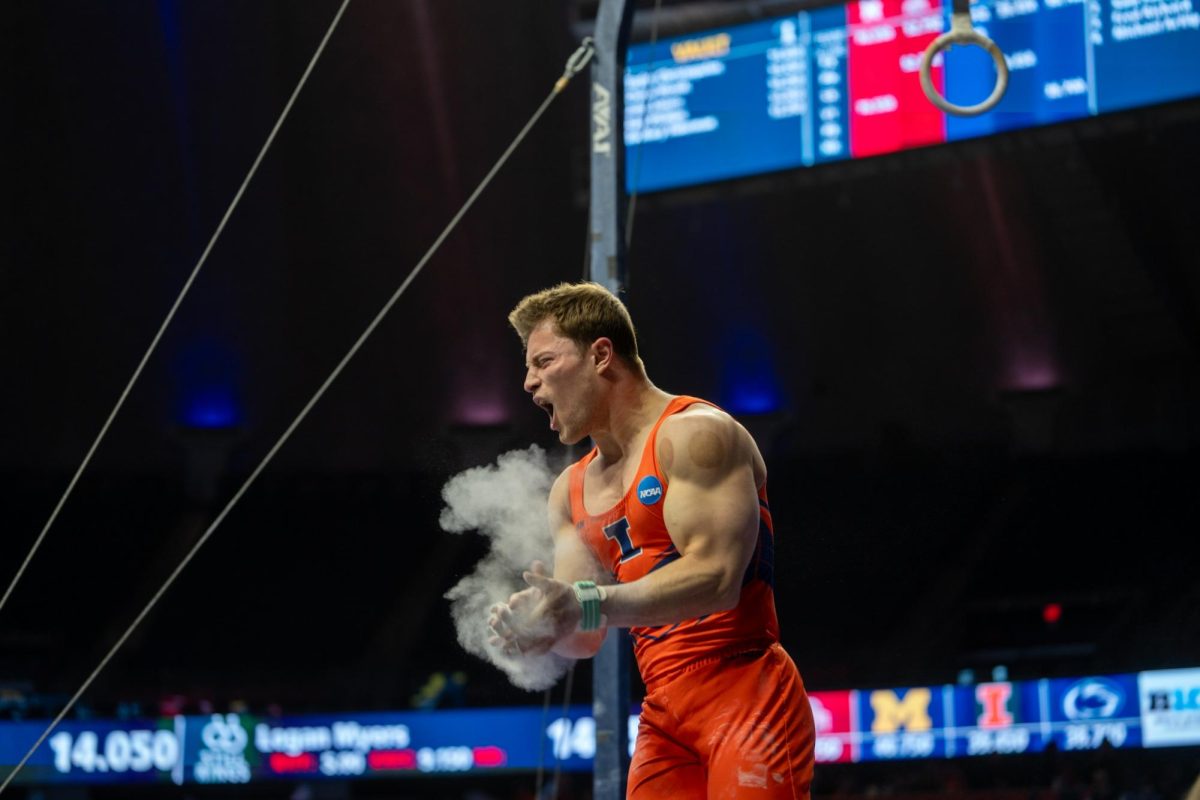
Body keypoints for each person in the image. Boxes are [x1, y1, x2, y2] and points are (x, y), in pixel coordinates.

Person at [488, 282, 815, 798]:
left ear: (600, 355)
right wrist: (544, 626)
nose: (529, 383)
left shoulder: (696, 435)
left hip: (746, 687)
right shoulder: (569, 491)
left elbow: (717, 581)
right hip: (663, 711)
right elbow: (587, 631)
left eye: (543, 361)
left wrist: (584, 604)